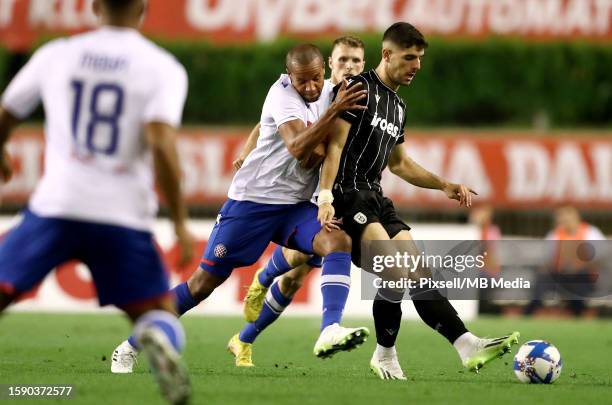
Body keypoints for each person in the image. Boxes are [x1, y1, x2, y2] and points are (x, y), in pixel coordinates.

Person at [111, 43, 370, 374]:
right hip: (252, 204)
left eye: (316, 79)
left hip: (293, 207)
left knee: (337, 240)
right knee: (202, 285)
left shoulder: (334, 93)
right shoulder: (281, 94)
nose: (310, 87)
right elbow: (296, 147)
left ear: (324, 71)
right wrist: (333, 113)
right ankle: (130, 345)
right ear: (289, 76)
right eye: (302, 81)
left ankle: (330, 329)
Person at [0, 1, 193, 403]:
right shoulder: (163, 67)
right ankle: (155, 335)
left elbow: (7, 111)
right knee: (158, 311)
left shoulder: (57, 54)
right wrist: (178, 221)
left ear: (93, 7)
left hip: (57, 206)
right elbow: (162, 147)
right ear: (142, 9)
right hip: (122, 215)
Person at [317, 22, 519, 380]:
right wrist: (326, 195)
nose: (416, 65)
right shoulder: (358, 88)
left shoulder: (397, 106)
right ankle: (385, 354)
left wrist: (444, 184)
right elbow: (333, 144)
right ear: (387, 54)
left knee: (420, 272)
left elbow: (400, 164)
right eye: (409, 57)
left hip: (376, 198)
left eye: (420, 58)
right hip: (348, 197)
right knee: (394, 270)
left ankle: (466, 345)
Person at [228, 36, 366, 367]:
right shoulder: (318, 94)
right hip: (316, 193)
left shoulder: (364, 97)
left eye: (356, 61)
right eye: (343, 60)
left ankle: (243, 337)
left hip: (343, 192)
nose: (349, 66)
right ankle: (266, 287)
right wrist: (247, 152)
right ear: (330, 64)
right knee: (301, 263)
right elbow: (266, 124)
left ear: (365, 65)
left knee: (294, 279)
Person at [524, 206, 605, 316]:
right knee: (542, 279)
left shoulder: (591, 233)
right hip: (560, 275)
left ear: (576, 217)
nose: (564, 220)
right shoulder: (555, 234)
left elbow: (600, 259)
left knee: (578, 279)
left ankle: (578, 313)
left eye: (567, 216)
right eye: (561, 217)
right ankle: (528, 313)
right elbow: (548, 260)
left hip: (585, 276)